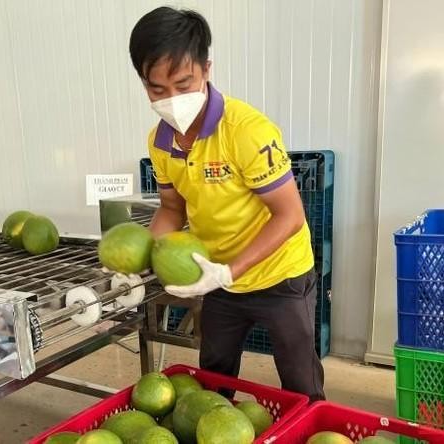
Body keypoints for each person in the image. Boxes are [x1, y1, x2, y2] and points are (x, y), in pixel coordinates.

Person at [128, 6, 325, 402]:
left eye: (184, 84)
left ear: (206, 69)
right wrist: (140, 266)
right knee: (213, 379)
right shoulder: (160, 140)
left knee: (300, 381)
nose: (172, 99)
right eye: (157, 89)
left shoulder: (247, 131)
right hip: (217, 275)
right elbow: (171, 208)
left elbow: (289, 215)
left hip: (279, 274)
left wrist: (228, 272)